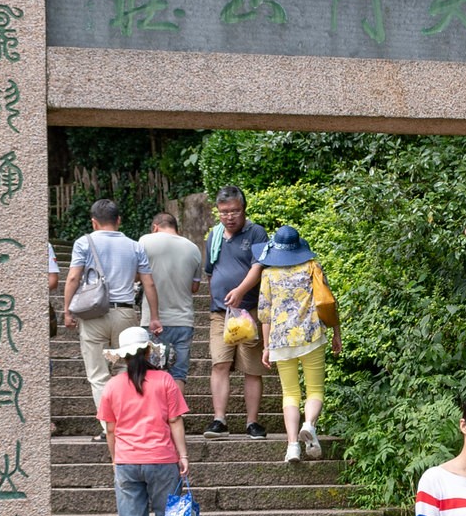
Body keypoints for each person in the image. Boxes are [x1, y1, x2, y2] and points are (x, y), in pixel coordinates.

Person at [97, 327, 190, 516]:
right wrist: (182, 455)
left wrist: (115, 459)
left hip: (126, 460)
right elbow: (175, 421)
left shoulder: (112, 386)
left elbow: (110, 430)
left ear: (123, 358)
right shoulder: (164, 380)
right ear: (149, 351)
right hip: (161, 458)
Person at [63, 200, 163, 426]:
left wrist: (67, 310)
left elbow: (72, 278)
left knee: (98, 374)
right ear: (119, 220)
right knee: (125, 369)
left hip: (92, 314)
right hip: (125, 314)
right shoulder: (135, 245)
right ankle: (130, 424)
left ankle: (110, 427)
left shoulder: (83, 242)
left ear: (93, 222)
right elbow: (149, 284)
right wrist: (154, 316)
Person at [255, 226, 341, 463]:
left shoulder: (268, 274)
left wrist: (266, 347)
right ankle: (309, 424)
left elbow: (265, 314)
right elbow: (328, 302)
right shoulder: (312, 266)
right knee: (314, 390)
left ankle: (292, 446)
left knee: (290, 393)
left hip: (281, 341)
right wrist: (336, 332)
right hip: (311, 336)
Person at [204, 186, 268, 440]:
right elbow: (210, 271)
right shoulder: (214, 236)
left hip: (249, 310)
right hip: (221, 312)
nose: (229, 217)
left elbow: (259, 266)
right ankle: (219, 419)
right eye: (223, 212)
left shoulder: (256, 232)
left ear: (244, 210)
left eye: (234, 211)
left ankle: (252, 421)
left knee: (251, 368)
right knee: (219, 363)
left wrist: (240, 291)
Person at [138, 211, 203, 387]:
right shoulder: (194, 248)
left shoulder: (145, 241)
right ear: (176, 228)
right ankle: (175, 414)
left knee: (153, 373)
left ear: (155, 227)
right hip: (183, 321)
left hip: (154, 321)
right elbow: (195, 287)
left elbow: (136, 276)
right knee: (179, 373)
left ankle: (157, 413)